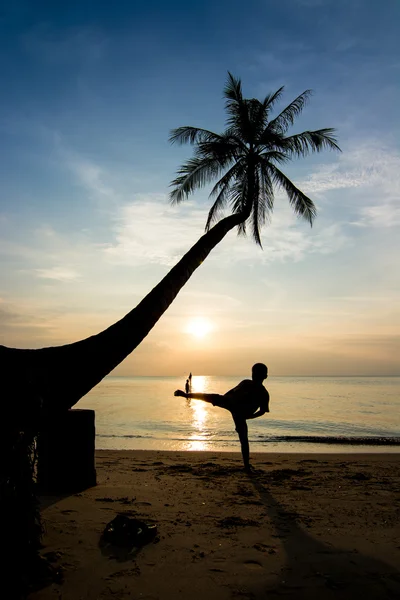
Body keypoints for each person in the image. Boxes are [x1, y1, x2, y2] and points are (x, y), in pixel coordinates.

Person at [174, 363, 269, 472]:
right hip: (232, 403)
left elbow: (262, 411)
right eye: (254, 373)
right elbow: (232, 391)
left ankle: (246, 466)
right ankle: (186, 395)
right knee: (210, 397)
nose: (255, 376)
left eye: (258, 374)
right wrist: (224, 398)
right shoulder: (246, 383)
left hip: (241, 413)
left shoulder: (264, 393)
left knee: (244, 438)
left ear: (265, 376)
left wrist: (249, 416)